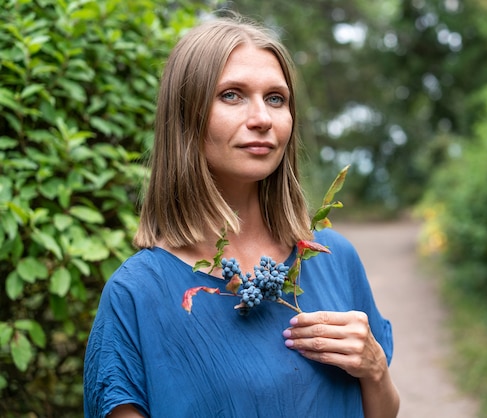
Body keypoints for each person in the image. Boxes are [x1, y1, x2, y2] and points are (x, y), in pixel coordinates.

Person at [83, 12, 400, 418]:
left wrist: (375, 371)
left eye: (275, 98)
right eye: (232, 95)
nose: (262, 119)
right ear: (185, 118)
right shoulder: (136, 295)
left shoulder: (332, 257)